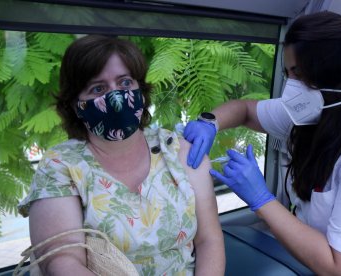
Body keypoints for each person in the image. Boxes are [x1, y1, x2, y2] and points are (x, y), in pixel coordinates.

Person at [183, 11, 341, 275]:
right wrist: (210, 122)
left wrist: (261, 200)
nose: (290, 86)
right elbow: (245, 110)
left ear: (333, 70)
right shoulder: (315, 110)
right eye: (287, 72)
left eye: (298, 72)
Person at [18, 35, 225, 275]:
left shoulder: (177, 151)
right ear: (76, 105)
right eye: (98, 88)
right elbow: (62, 262)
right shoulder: (61, 166)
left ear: (140, 90)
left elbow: (209, 240)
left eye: (125, 83)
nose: (115, 97)